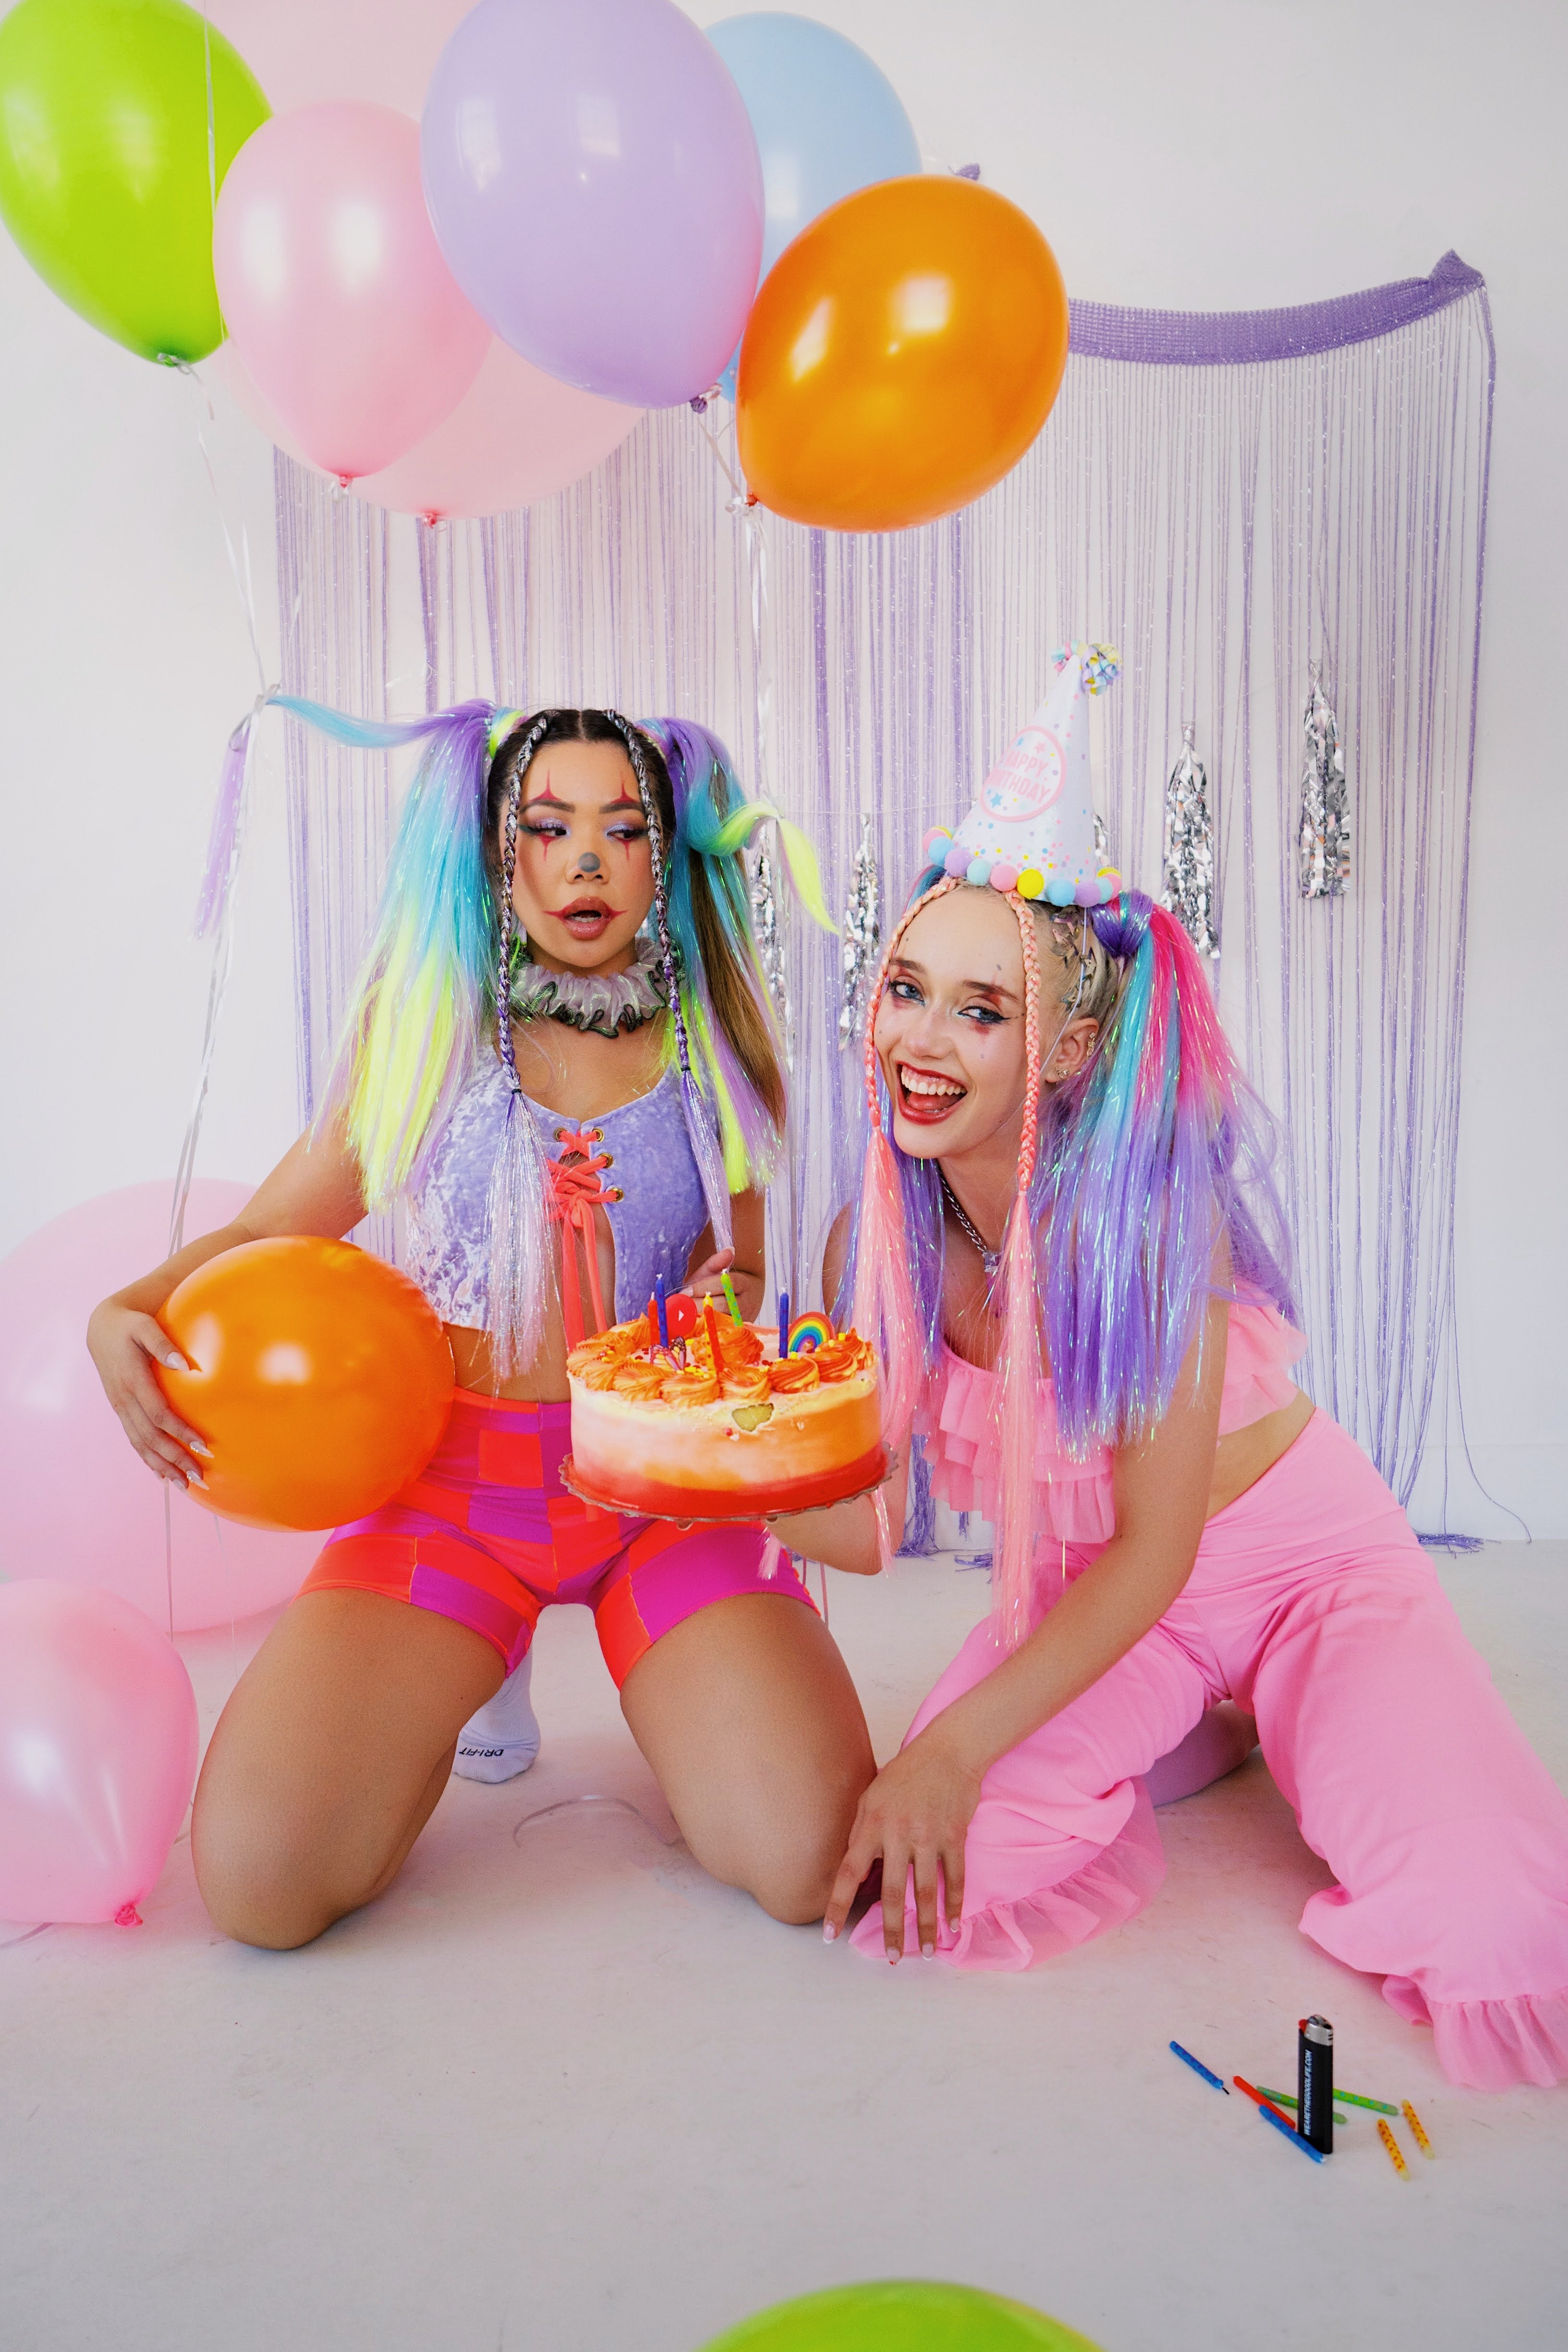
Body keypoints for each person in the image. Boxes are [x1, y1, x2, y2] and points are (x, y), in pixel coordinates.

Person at [781, 647, 1568, 2093]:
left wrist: (948, 1748)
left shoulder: (1142, 1232)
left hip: (1291, 1573)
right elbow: (873, 1528)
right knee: (932, 1891)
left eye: (980, 1007)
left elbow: (1158, 1550)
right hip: (1110, 1607)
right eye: (905, 988)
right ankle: (1200, 1725)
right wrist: (721, 1473)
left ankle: (1295, 1705)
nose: (920, 1038)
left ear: (1067, 1043)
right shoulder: (877, 1233)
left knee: (1491, 1922)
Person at [89, 702, 875, 1950]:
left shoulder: (710, 1047)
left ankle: (671, 1685)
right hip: (454, 1491)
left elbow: (746, 1273)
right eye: (548, 826)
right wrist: (127, 1304)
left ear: (661, 860)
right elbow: (280, 1232)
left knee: (808, 1863)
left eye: (622, 830)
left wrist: (726, 1333)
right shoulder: (426, 1040)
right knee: (260, 1884)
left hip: (655, 1488)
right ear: (496, 852)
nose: (584, 861)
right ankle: (476, 1652)